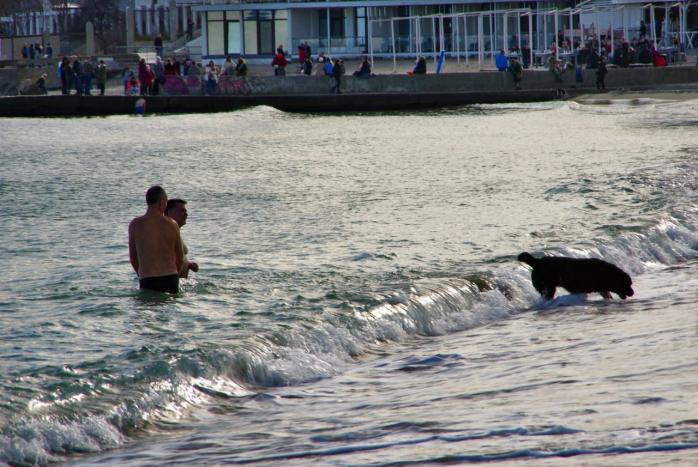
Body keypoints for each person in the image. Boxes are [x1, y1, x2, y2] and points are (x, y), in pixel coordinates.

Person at [128, 186, 184, 294]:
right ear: (162, 202)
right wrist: (174, 274)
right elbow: (180, 258)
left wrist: (142, 275)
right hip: (170, 278)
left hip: (147, 280)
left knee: (147, 310)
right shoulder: (172, 224)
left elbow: (133, 258)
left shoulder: (135, 225)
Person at [165, 199, 199, 278]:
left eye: (185, 211)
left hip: (178, 283)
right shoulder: (166, 232)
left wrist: (188, 264)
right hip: (170, 283)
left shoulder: (175, 232)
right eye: (182, 211)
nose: (186, 214)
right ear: (169, 212)